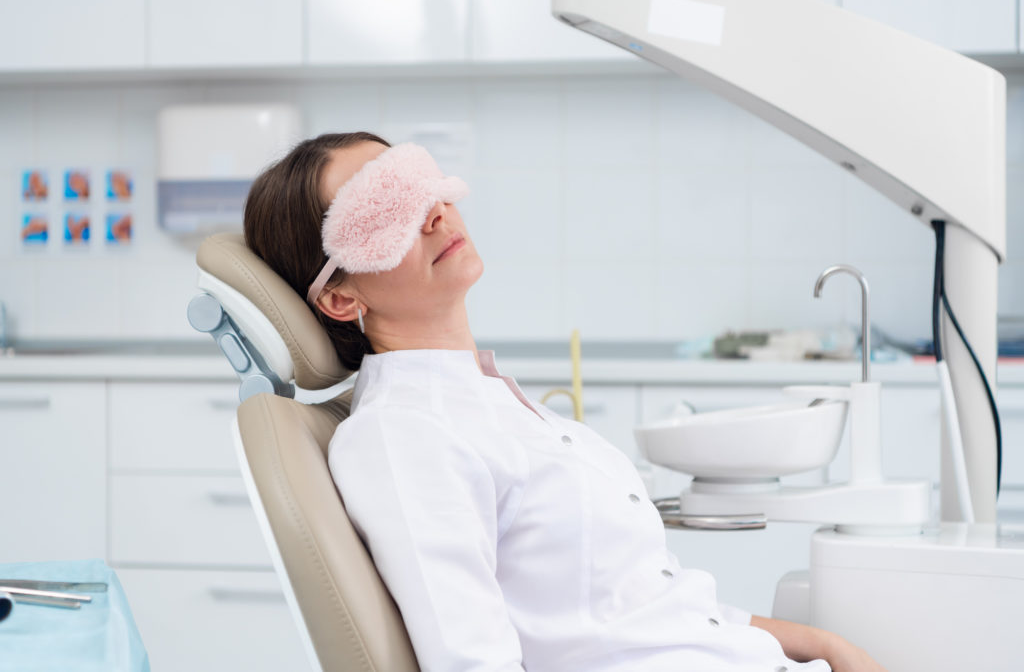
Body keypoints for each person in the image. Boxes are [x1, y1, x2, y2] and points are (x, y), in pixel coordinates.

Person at [243, 132, 885, 672]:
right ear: (339, 299)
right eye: (385, 215)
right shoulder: (404, 435)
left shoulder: (488, 402)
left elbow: (640, 607)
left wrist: (822, 644)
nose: (434, 214)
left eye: (420, 186)